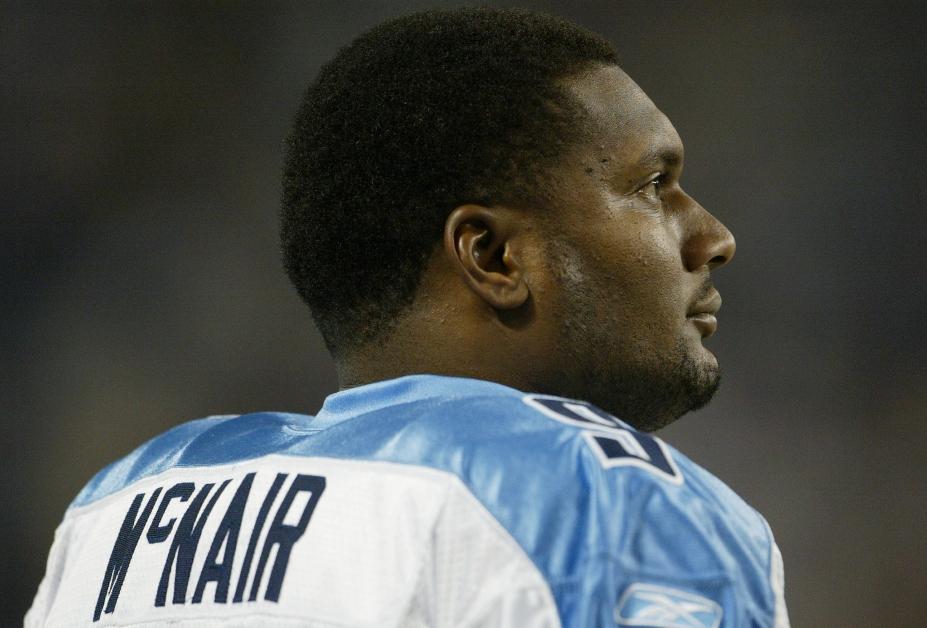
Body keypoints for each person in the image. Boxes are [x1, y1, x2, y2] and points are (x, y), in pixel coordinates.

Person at [26, 8, 789, 627]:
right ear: (492, 257)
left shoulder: (121, 506)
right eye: (653, 185)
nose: (713, 237)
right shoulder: (598, 494)